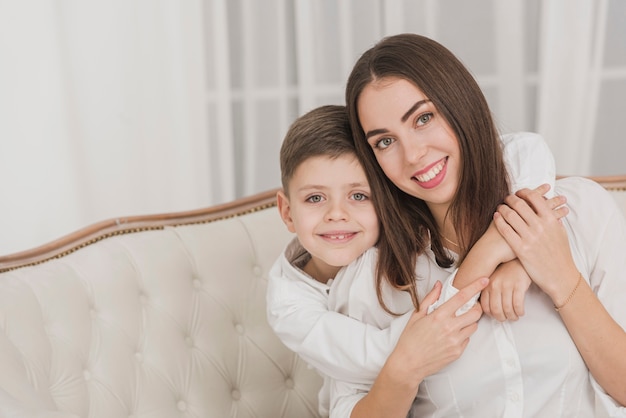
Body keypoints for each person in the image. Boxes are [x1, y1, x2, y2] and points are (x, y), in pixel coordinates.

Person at [322, 33, 626, 417]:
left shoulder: (582, 211)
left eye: (423, 118)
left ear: (460, 104)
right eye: (384, 142)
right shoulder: (375, 279)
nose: (413, 155)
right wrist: (405, 367)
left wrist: (560, 276)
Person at [267, 104, 564, 416]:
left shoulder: (403, 244)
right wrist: (492, 251)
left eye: (358, 196)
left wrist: (517, 257)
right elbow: (402, 352)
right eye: (315, 198)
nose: (337, 214)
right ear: (287, 212)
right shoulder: (289, 304)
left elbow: (525, 148)